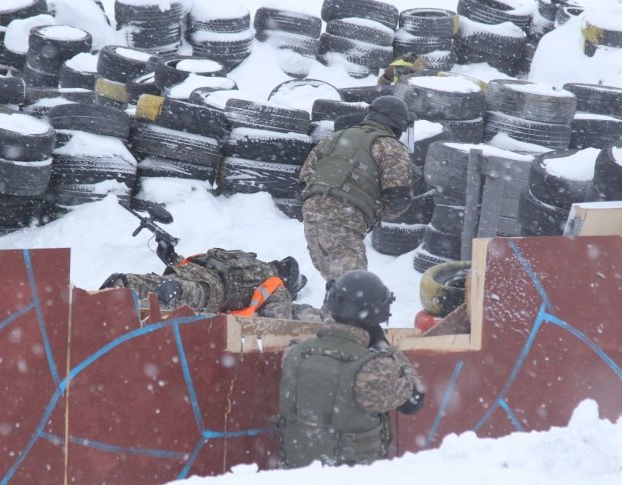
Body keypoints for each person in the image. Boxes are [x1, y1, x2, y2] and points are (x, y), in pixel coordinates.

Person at [275, 270, 425, 468]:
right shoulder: (373, 368)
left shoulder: (294, 353)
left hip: (295, 474)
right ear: (377, 313)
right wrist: (384, 345)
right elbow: (414, 401)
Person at [300, 95, 414, 282]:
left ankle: (332, 308)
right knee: (353, 286)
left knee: (337, 284)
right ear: (398, 124)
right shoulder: (391, 147)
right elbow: (397, 199)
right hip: (345, 216)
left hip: (312, 215)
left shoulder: (335, 137)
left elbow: (305, 177)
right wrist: (371, 208)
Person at [100, 248, 325, 321]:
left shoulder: (247, 259)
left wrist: (171, 257)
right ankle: (174, 294)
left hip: (192, 269)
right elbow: (279, 321)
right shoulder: (275, 283)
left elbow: (208, 262)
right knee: (189, 293)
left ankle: (124, 284)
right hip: (213, 290)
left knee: (159, 283)